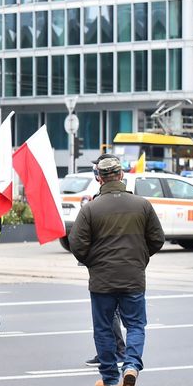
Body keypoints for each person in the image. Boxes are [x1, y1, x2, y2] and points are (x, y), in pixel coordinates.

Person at [68, 156, 164, 386]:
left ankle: (110, 378)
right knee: (135, 325)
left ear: (99, 178)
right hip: (133, 277)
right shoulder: (142, 204)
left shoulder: (90, 208)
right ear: (121, 176)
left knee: (103, 328)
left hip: (102, 280)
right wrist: (139, 259)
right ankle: (131, 366)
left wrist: (94, 263)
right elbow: (157, 239)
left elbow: (76, 245)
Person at [83, 154, 126, 367]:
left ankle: (116, 353)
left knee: (109, 315)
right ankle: (112, 353)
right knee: (112, 315)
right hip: (120, 267)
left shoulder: (104, 202)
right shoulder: (98, 199)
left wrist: (90, 258)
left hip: (108, 268)